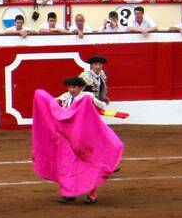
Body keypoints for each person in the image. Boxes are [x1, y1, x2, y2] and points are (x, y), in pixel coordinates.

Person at [31, 76, 123, 206]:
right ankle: (68, 194)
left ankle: (92, 193)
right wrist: (43, 98)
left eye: (74, 87)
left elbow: (100, 108)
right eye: (69, 87)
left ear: (80, 88)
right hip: (68, 136)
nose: (71, 89)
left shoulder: (87, 97)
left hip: (85, 135)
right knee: (67, 165)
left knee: (89, 163)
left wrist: (114, 114)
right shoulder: (66, 96)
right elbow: (53, 102)